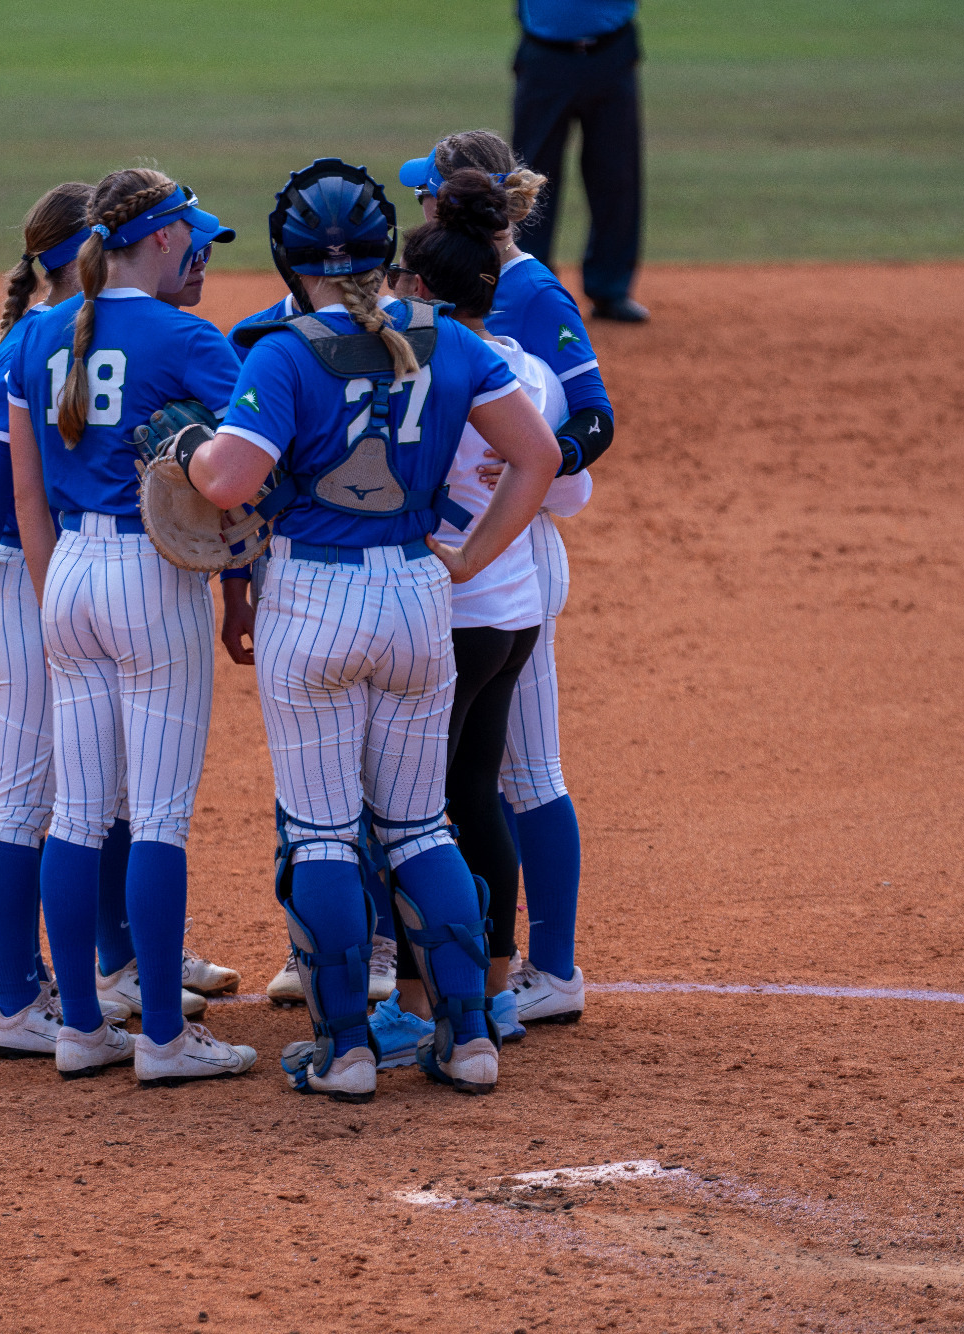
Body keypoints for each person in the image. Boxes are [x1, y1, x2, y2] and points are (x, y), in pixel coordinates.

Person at [187, 158, 562, 1102]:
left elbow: (227, 482)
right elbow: (540, 455)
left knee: (321, 834)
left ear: (290, 261)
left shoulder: (281, 351)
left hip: (311, 599)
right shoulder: (449, 338)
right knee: (421, 824)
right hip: (417, 598)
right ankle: (468, 1040)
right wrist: (470, 559)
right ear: (386, 249)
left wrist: (187, 451)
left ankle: (346, 1051)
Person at [2, 168, 257, 1086]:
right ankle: (164, 1039)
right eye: (190, 233)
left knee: (76, 815)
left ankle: (79, 1028)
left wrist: (53, 604)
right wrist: (240, 580)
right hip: (153, 579)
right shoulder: (189, 339)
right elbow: (250, 474)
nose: (196, 248)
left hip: (67, 571)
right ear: (160, 238)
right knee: (156, 817)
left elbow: (27, 496)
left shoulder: (35, 336)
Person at [365, 169, 596, 1068]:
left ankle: (417, 1004)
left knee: (413, 813)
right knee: (477, 799)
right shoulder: (529, 373)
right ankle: (498, 995)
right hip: (515, 616)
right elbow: (569, 492)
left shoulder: (414, 368)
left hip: (448, 612)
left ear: (422, 286)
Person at [506, 0, 649, 322]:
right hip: (545, 54)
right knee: (530, 177)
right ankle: (530, 288)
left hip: (611, 51)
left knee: (617, 173)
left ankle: (610, 288)